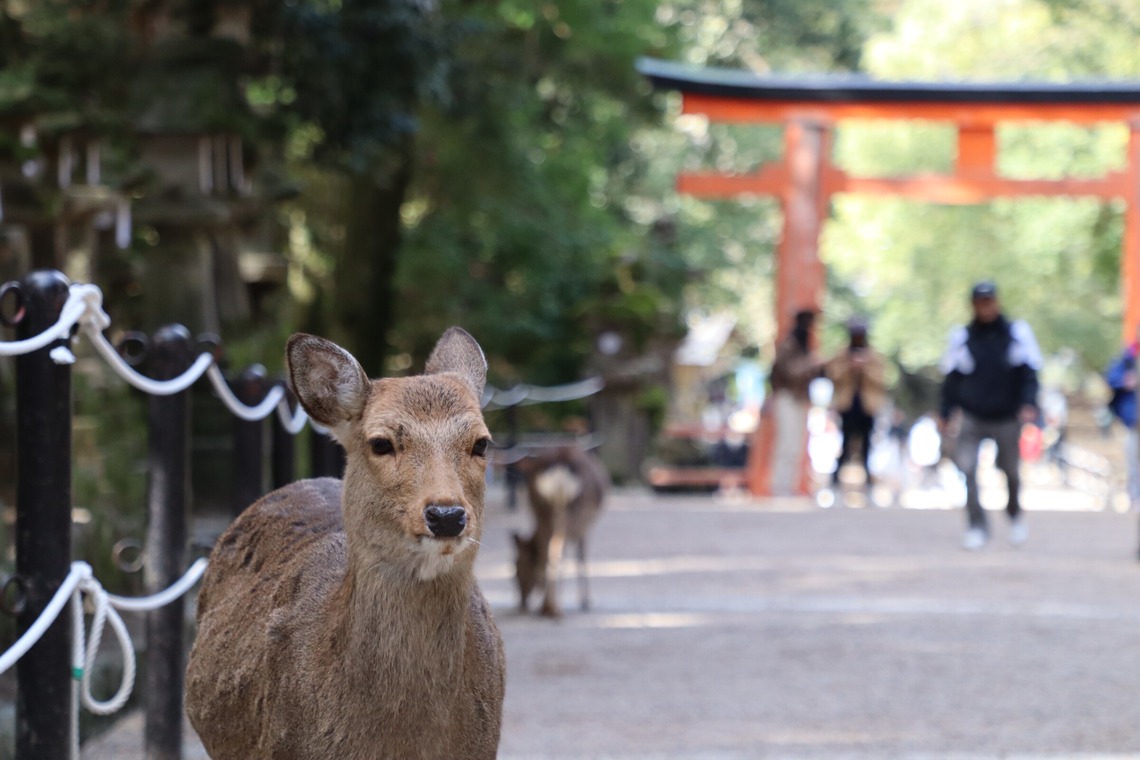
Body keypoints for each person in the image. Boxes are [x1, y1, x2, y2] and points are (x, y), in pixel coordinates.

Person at [939, 281, 1041, 550]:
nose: (986, 307)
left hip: (1007, 416)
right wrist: (945, 412)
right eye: (980, 302)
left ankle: (1014, 514)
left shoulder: (1016, 333)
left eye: (990, 301)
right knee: (967, 467)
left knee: (1011, 471)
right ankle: (977, 525)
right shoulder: (962, 337)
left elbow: (1029, 373)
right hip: (973, 415)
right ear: (973, 305)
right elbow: (951, 379)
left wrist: (1028, 403)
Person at [826, 317, 888, 489]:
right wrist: (849, 366)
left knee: (867, 443)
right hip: (847, 405)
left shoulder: (874, 356)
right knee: (845, 442)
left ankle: (868, 482)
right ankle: (835, 481)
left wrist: (865, 367)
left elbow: (882, 379)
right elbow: (832, 375)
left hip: (867, 407)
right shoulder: (842, 355)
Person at [768, 308, 824, 496]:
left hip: (800, 398)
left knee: (797, 444)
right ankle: (779, 486)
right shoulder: (789, 345)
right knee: (786, 443)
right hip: (786, 397)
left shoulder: (803, 346)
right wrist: (812, 363)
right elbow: (791, 371)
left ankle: (787, 485)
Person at [1105, 327, 1140, 510]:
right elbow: (1111, 377)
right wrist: (1125, 381)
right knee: (1133, 461)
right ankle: (1135, 497)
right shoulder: (1128, 358)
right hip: (1133, 420)